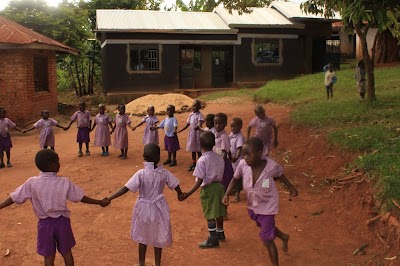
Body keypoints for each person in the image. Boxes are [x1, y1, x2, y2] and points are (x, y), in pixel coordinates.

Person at [0, 149, 110, 266]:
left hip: (45, 224)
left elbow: (14, 197)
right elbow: (81, 197)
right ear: (52, 165)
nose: (59, 164)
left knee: (48, 257)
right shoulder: (64, 182)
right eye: (58, 161)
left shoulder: (32, 182)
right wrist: (99, 202)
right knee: (67, 253)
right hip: (62, 223)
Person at [223, 137, 298, 266]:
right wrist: (226, 194)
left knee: (267, 239)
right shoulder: (242, 164)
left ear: (259, 153)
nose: (245, 157)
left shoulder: (271, 166)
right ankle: (283, 236)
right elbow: (235, 179)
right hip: (253, 205)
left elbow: (280, 175)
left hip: (268, 205)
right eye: (244, 154)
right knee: (263, 226)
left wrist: (291, 187)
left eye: (248, 154)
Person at [106, 143, 183, 266]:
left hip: (144, 208)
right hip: (159, 208)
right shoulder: (164, 173)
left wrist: (110, 198)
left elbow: (125, 188)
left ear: (144, 158)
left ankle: (141, 263)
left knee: (142, 236)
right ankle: (157, 263)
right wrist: (180, 194)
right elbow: (175, 185)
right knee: (158, 236)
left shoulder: (141, 173)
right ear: (158, 157)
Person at [180, 131, 226, 248]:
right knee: (219, 211)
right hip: (220, 187)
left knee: (210, 213)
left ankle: (212, 239)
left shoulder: (202, 160)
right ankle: (220, 233)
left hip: (209, 189)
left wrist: (188, 194)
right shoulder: (219, 156)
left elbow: (200, 180)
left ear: (200, 144)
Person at [178, 100, 204, 171]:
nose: (194, 107)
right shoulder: (191, 115)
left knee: (198, 150)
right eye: (193, 105)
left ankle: (200, 164)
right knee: (193, 149)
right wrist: (180, 130)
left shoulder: (200, 115)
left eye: (195, 106)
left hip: (198, 135)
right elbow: (187, 124)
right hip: (192, 134)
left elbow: (199, 122)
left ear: (199, 107)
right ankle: (194, 164)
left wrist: (198, 126)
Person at [213, 112, 234, 192]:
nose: (217, 125)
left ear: (225, 124)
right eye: (216, 123)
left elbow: (224, 152)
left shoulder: (224, 137)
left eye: (220, 123)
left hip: (222, 161)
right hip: (216, 160)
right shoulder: (215, 134)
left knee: (224, 179)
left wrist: (219, 165)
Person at [229, 118, 245, 203]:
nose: (233, 128)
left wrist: (236, 157)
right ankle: (233, 190)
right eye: (231, 126)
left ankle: (237, 195)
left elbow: (239, 148)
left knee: (238, 177)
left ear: (240, 127)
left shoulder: (240, 137)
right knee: (234, 176)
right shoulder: (231, 135)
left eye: (235, 126)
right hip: (232, 160)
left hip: (238, 160)